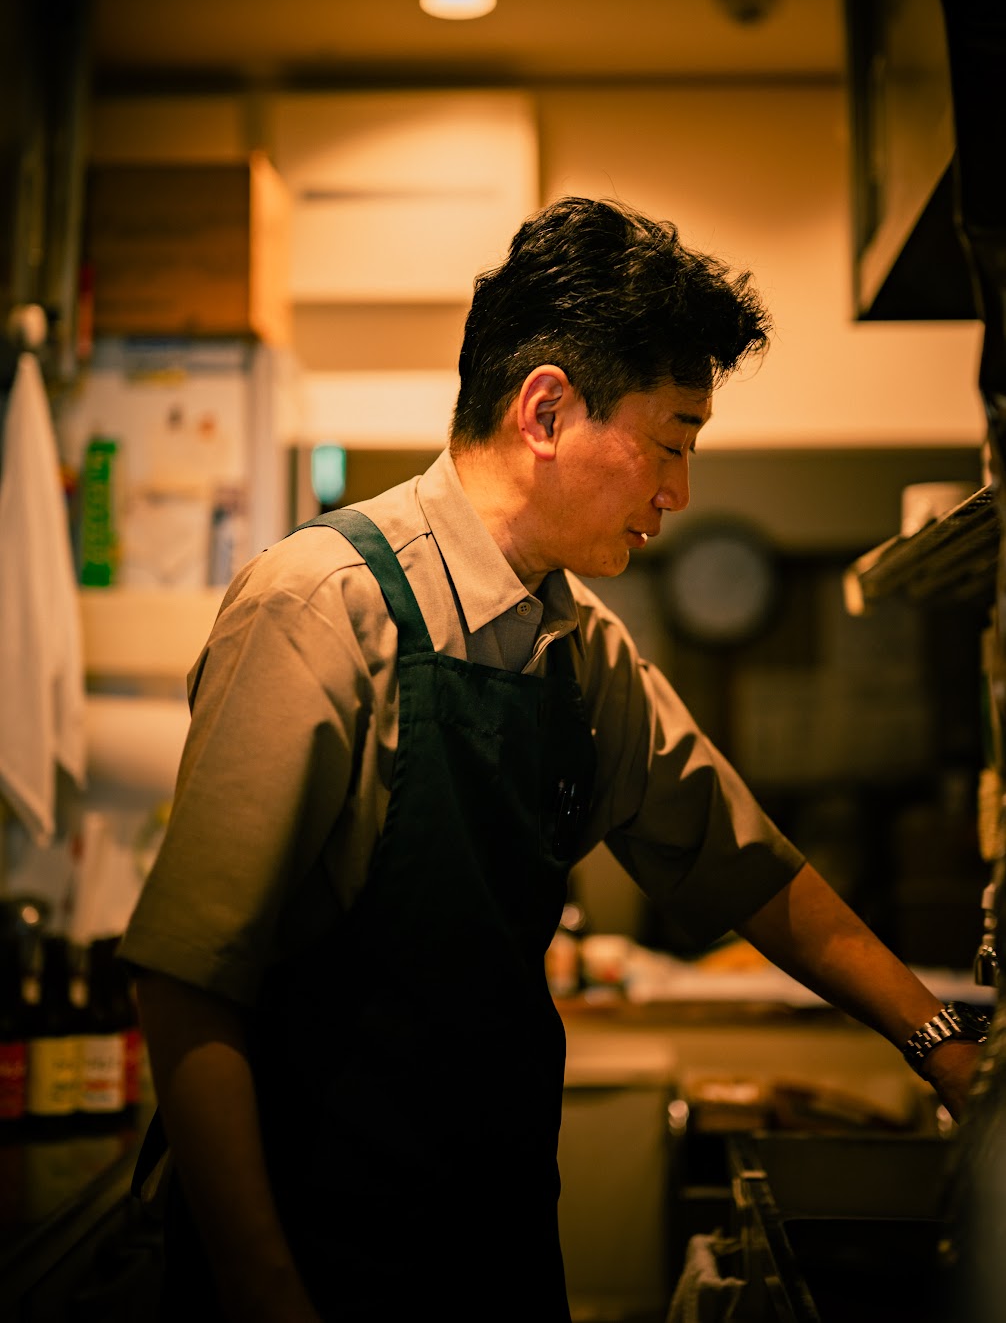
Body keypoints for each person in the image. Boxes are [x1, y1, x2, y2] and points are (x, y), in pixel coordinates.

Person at [120, 196, 984, 1323]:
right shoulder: (321, 603)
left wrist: (941, 1045)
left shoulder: (580, 647)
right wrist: (265, 1286)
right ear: (545, 409)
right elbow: (188, 982)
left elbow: (747, 868)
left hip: (491, 1231)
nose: (677, 492)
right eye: (670, 442)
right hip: (314, 1241)